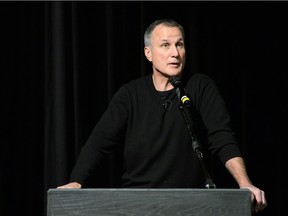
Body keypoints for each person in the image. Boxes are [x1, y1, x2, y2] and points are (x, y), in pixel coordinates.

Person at [57, 19, 267, 213]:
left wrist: (244, 183)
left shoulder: (200, 87)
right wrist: (77, 181)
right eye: (165, 45)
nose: (175, 53)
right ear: (148, 53)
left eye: (180, 45)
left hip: (189, 204)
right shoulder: (130, 94)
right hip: (136, 203)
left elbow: (222, 138)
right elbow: (99, 143)